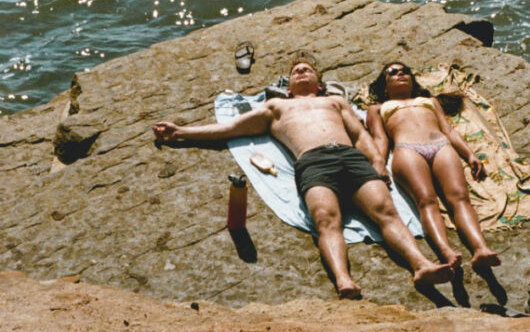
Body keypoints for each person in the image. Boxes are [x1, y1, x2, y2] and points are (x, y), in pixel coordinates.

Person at [153, 58, 454, 299]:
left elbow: (360, 135)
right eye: (296, 71)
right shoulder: (276, 107)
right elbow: (230, 128)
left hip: (351, 157)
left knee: (386, 212)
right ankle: (344, 281)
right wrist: (181, 132)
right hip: (313, 161)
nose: (301, 72)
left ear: (319, 83)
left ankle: (421, 266)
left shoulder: (335, 101)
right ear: (287, 87)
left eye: (307, 69)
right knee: (325, 219)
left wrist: (378, 162)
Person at [366, 61, 501, 272]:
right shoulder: (377, 109)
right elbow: (380, 139)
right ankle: (446, 252)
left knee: (460, 198)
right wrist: (380, 164)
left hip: (441, 146)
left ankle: (480, 249)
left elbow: (448, 130)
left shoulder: (429, 101)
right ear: (385, 85)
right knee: (426, 201)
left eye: (405, 71)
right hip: (408, 150)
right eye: (393, 72)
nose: (401, 74)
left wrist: (469, 154)